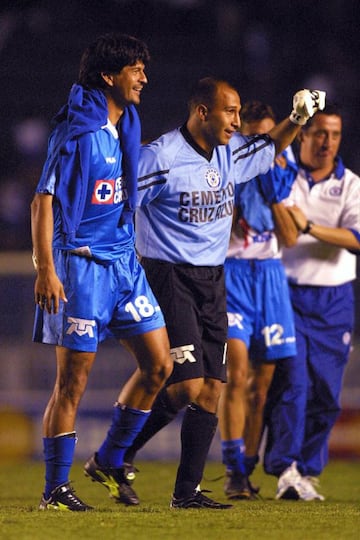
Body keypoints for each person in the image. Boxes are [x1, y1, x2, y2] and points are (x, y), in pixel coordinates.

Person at [99, 79, 325, 510]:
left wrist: (297, 119)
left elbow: (268, 145)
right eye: (230, 112)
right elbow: (118, 203)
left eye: (239, 113)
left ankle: (184, 492)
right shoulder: (160, 156)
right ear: (202, 112)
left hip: (213, 280)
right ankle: (115, 455)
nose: (237, 121)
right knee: (186, 388)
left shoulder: (230, 154)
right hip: (169, 276)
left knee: (210, 390)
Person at [31, 32, 173, 512]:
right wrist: (46, 269)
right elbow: (42, 199)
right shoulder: (74, 130)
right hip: (81, 266)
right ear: (109, 76)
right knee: (72, 382)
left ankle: (110, 458)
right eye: (135, 69)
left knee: (160, 364)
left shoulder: (125, 123)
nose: (144, 78)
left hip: (123, 263)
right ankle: (55, 489)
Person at [263, 103, 360, 501]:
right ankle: (284, 467)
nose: (327, 142)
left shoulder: (350, 184)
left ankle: (306, 470)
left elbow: (355, 239)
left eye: (335, 135)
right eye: (320, 132)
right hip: (285, 293)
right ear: (303, 134)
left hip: (334, 299)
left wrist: (308, 226)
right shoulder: (283, 171)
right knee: (293, 386)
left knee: (327, 397)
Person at [217, 100, 299, 501]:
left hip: (270, 276)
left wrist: (274, 182)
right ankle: (232, 469)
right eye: (257, 138)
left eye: (274, 139)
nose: (267, 147)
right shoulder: (227, 164)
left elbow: (290, 232)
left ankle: (246, 467)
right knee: (236, 375)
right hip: (232, 274)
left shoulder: (284, 167)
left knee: (261, 386)